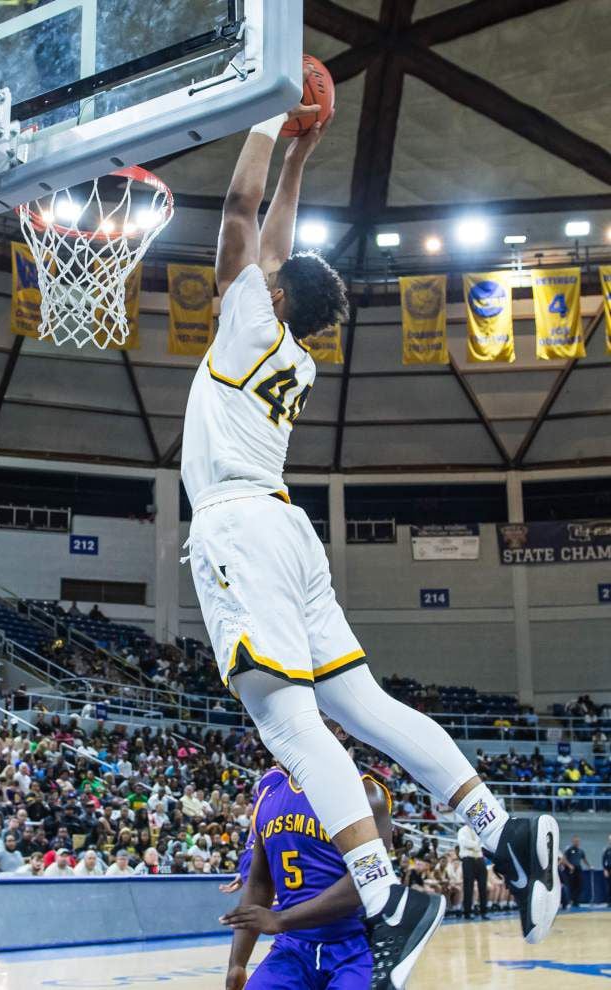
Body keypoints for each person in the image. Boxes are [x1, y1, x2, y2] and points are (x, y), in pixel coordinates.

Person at [179, 75, 560, 985]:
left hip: (237, 528)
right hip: (286, 529)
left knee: (289, 720)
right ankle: (495, 827)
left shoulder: (248, 326)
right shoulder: (292, 354)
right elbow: (276, 243)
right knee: (362, 706)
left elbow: (242, 210)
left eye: (268, 277)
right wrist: (306, 152)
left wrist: (271, 113)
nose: (261, 269)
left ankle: (386, 895)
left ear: (271, 299)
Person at [221, 769, 392, 989]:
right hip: (293, 947)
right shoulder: (269, 796)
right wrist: (237, 964)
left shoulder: (364, 792)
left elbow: (368, 876)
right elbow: (259, 882)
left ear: (340, 733)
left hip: (356, 945)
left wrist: (280, 919)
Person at [457, 822, 488, 920]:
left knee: (483, 887)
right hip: (468, 860)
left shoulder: (479, 830)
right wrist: (476, 845)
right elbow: (464, 843)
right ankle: (467, 913)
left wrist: (475, 845)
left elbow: (483, 843)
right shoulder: (462, 831)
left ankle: (484, 912)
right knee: (468, 887)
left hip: (480, 860)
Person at [563, 836, 590, 908]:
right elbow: (564, 859)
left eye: (578, 841)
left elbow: (584, 859)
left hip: (578, 869)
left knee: (580, 885)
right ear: (573, 841)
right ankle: (571, 900)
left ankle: (576, 900)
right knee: (572, 885)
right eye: (575, 841)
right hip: (571, 870)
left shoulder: (581, 851)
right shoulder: (569, 850)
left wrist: (589, 866)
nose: (577, 842)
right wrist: (569, 865)